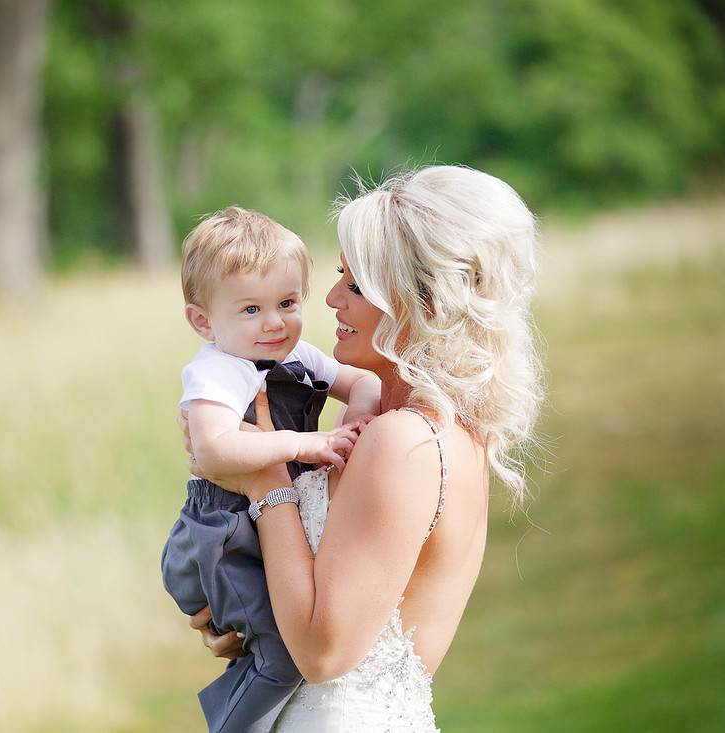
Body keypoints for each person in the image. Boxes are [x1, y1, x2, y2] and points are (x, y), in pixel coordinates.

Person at [182, 166, 545, 730]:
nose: (327, 299)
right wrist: (245, 612)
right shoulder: (435, 429)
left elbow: (325, 655)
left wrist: (264, 476)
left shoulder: (404, 441)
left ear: (422, 302)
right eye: (338, 275)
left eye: (354, 285)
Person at [161, 206, 381, 733]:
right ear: (203, 321)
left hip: (262, 524)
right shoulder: (218, 368)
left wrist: (354, 426)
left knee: (282, 638)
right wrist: (309, 444)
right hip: (224, 532)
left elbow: (367, 385)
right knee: (280, 658)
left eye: (287, 302)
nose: (274, 322)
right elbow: (211, 452)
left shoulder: (298, 354)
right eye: (252, 309)